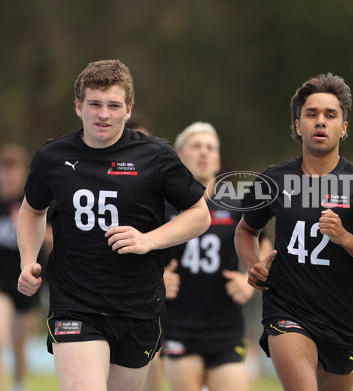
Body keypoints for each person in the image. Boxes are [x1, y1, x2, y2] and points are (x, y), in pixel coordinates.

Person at [16, 59, 211, 391]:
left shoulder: (155, 155)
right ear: (79, 106)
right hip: (75, 303)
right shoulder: (52, 157)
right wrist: (28, 260)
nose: (103, 114)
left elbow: (199, 215)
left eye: (113, 105)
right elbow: (32, 210)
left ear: (128, 108)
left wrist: (148, 240)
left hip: (137, 307)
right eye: (94, 104)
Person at [234, 73, 353, 391]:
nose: (320, 122)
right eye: (311, 114)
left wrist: (346, 239)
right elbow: (245, 231)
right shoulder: (274, 180)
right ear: (297, 125)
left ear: (344, 127)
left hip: (342, 321)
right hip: (286, 311)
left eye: (330, 115)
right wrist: (253, 266)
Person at [158, 122, 272, 391]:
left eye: (210, 147)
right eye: (195, 146)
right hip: (178, 325)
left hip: (225, 325)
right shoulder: (161, 205)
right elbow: (141, 249)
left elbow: (263, 242)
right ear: (179, 157)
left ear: (218, 159)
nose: (203, 153)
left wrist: (249, 278)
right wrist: (156, 278)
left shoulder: (237, 203)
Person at [0, 144, 36, 391]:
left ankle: (19, 384)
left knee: (19, 344)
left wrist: (26, 225)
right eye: (4, 171)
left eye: (13, 171)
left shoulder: (33, 201)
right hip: (1, 285)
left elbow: (55, 238)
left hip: (25, 282)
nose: (8, 178)